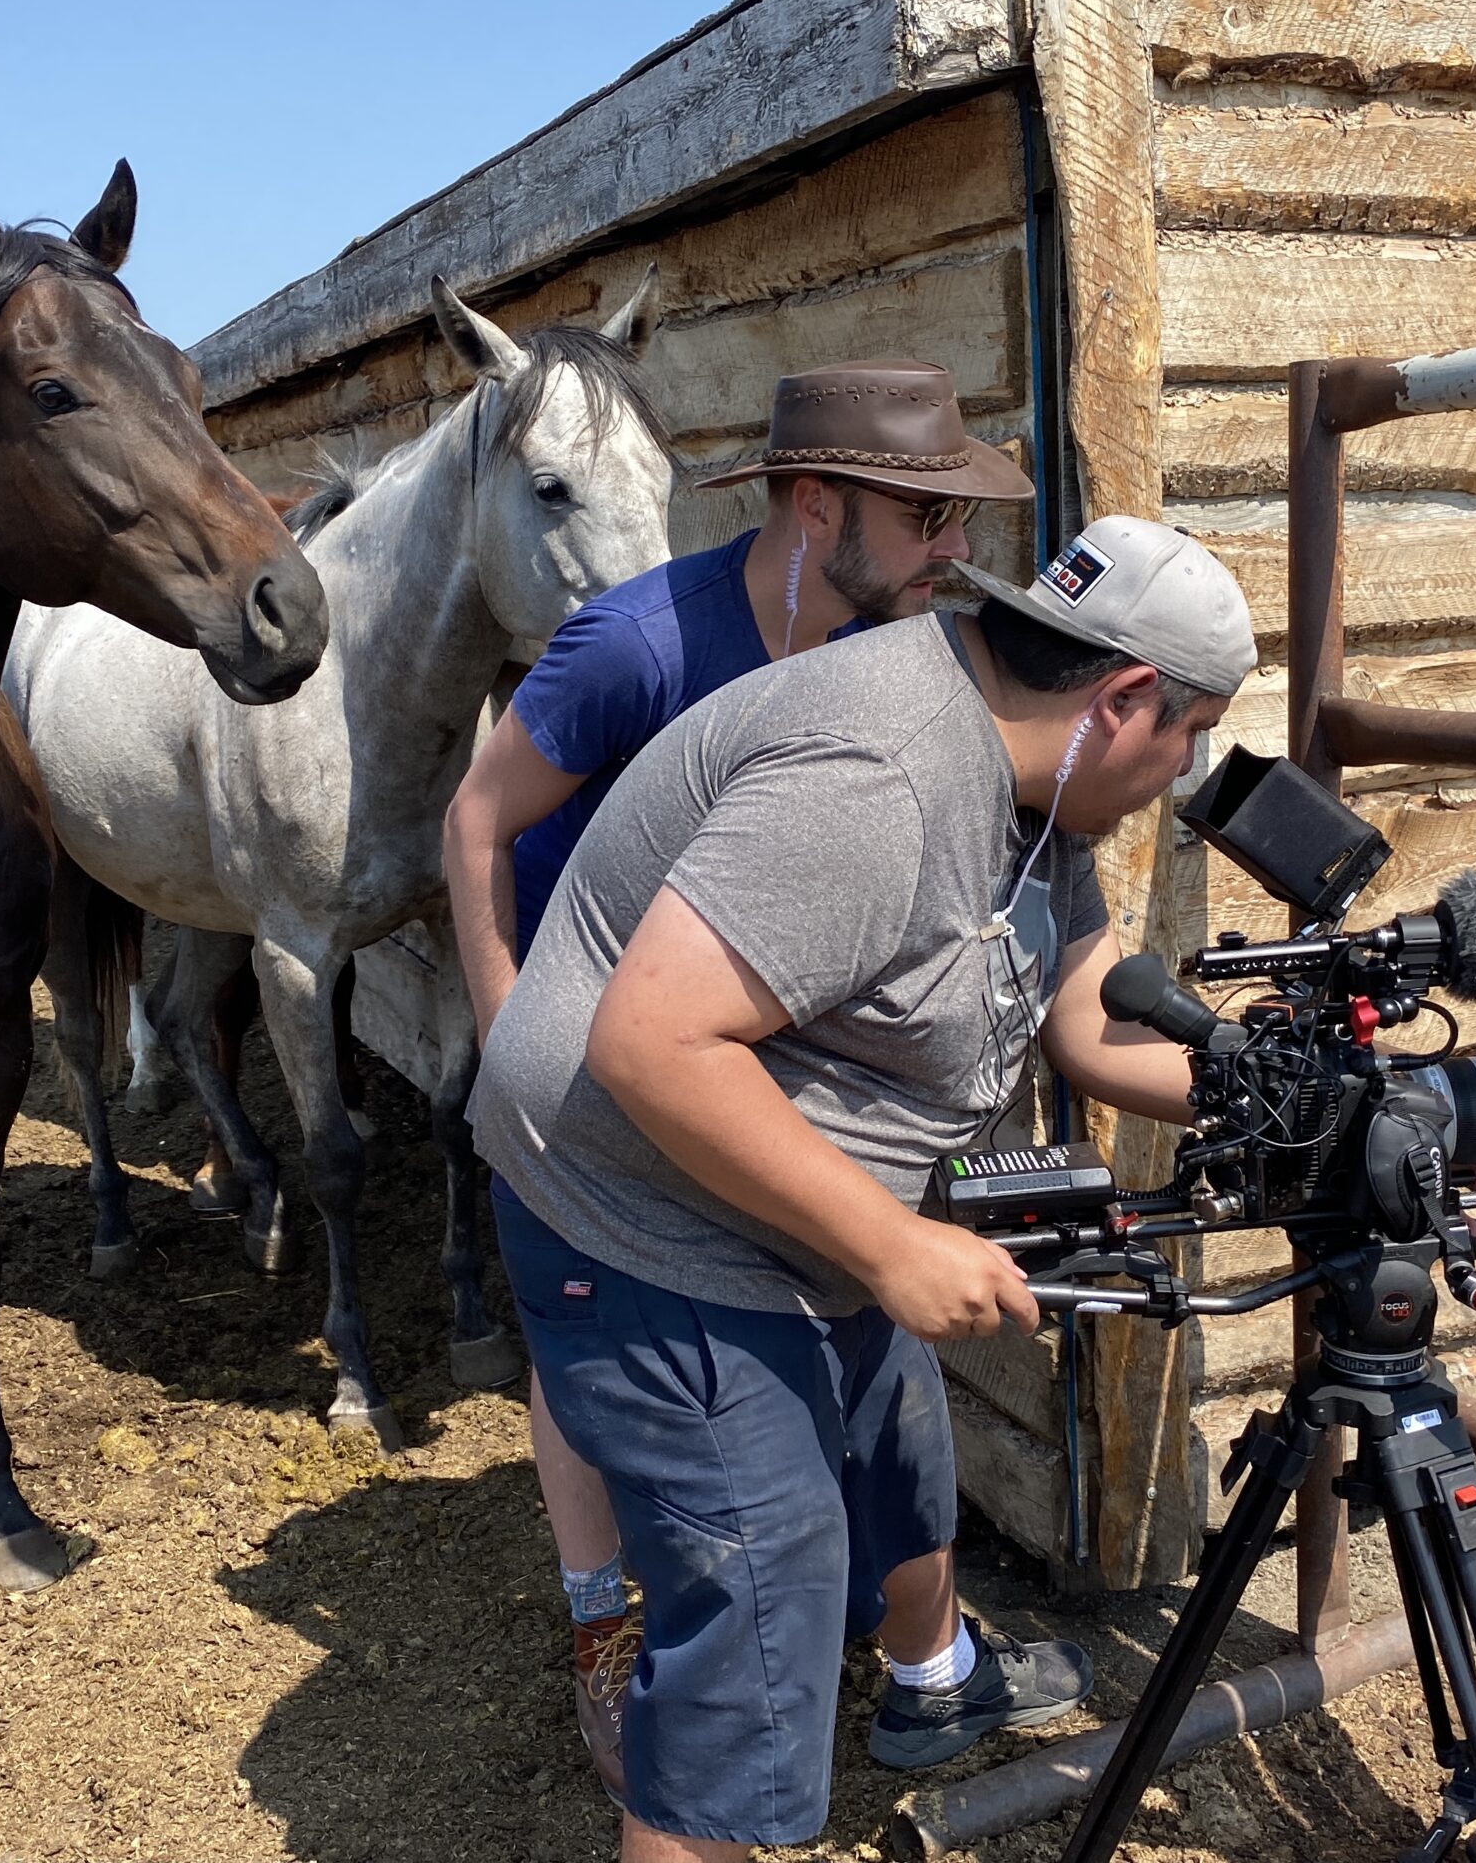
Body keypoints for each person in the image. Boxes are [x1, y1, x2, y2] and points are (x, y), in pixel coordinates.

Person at [469, 513, 1262, 1861]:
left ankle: (930, 1686)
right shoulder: (880, 775)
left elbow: (1083, 1020)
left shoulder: (1038, 784)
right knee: (753, 1614)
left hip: (778, 1194)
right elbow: (651, 1043)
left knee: (896, 1448)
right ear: (1126, 698)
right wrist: (893, 1247)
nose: (1185, 769)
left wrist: (1285, 1090)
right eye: (1190, 733)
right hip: (644, 1212)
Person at [442, 360, 1033, 1802]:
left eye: (959, 514)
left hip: (731, 1044)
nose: (956, 545)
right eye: (927, 514)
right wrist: (522, 1039)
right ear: (817, 503)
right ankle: (605, 1618)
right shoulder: (641, 647)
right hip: (593, 1050)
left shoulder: (905, 651)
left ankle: (893, 1644)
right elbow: (475, 821)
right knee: (582, 1325)